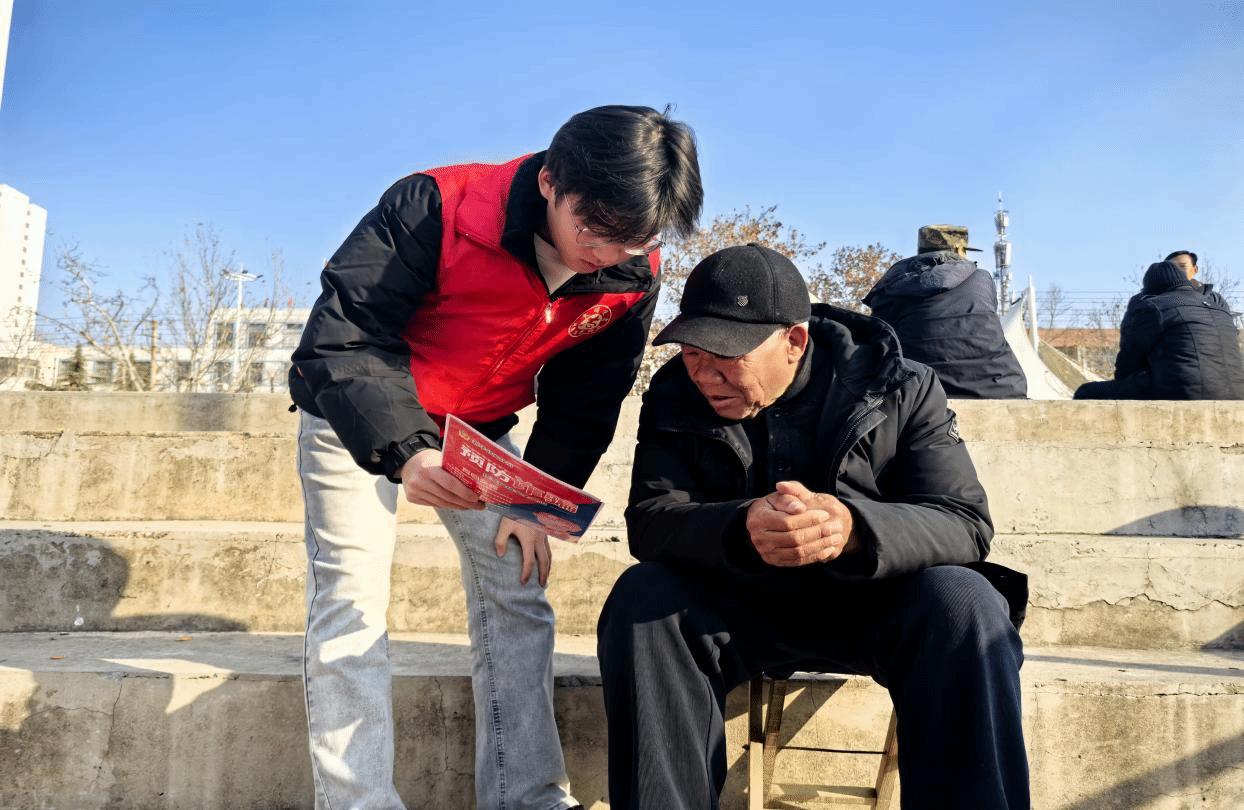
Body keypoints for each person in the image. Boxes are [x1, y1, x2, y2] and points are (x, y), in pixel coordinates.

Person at [289, 104, 703, 810]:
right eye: (594, 230)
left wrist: (538, 499)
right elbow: (344, 337)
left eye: (634, 239)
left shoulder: (634, 270)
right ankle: (360, 801)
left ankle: (527, 796)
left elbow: (586, 397)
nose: (607, 254)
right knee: (352, 599)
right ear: (550, 182)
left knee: (520, 583)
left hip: (476, 427)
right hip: (356, 414)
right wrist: (407, 452)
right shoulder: (437, 205)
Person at [597, 243, 1031, 809]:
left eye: (726, 355)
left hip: (874, 602)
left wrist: (854, 528)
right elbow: (652, 520)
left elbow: (964, 522)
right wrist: (739, 527)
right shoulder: (675, 392)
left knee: (966, 601)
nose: (703, 374)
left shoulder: (899, 385)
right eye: (692, 352)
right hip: (740, 602)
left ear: (794, 341)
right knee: (643, 598)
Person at [863, 224, 1027, 398]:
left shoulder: (892, 282)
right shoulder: (981, 278)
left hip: (916, 392)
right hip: (1000, 386)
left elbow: (880, 336)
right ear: (960, 251)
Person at [1074, 260, 1244, 400]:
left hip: (1185, 393)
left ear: (1151, 288)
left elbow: (1128, 362)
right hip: (1237, 393)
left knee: (1087, 392)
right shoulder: (1219, 308)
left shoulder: (1153, 306)